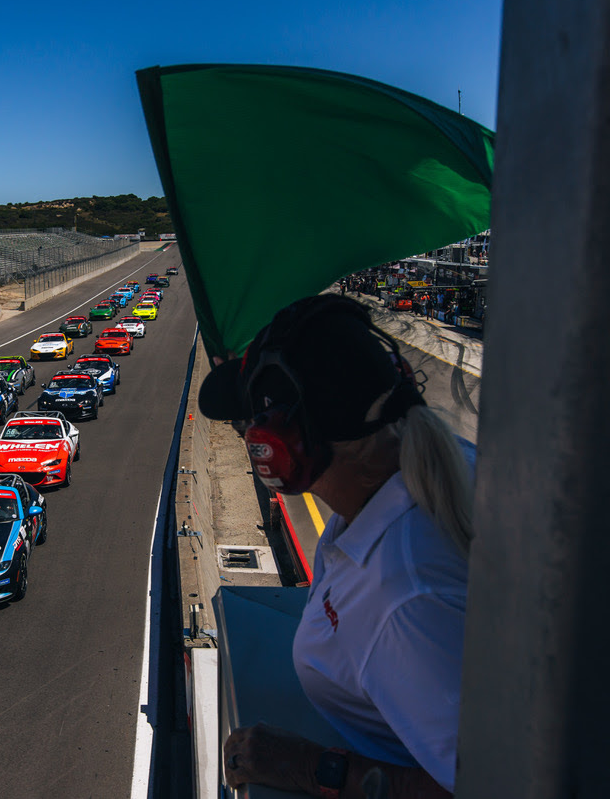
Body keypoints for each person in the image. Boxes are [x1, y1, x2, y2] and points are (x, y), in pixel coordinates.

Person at [198, 294, 473, 799]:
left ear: (282, 446)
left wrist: (315, 769)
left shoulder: (405, 599)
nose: (246, 437)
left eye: (249, 424)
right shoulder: (442, 467)